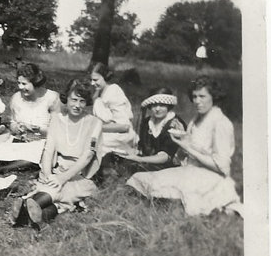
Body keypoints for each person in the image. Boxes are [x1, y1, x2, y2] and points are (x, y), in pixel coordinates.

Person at [127, 76, 243, 217]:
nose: (197, 101)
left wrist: (187, 147)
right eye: (194, 96)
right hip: (190, 170)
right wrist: (182, 139)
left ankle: (215, 206)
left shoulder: (220, 123)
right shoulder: (196, 120)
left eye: (202, 96)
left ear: (214, 97)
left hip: (212, 177)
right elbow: (184, 153)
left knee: (182, 197)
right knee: (140, 178)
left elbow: (222, 167)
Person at [11, 78, 103, 229]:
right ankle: (35, 215)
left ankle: (22, 214)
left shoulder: (94, 122)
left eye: (82, 101)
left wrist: (62, 178)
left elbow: (88, 155)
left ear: (87, 102)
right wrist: (48, 175)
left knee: (60, 190)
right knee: (53, 187)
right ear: (66, 98)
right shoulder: (57, 119)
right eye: (74, 99)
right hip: (56, 171)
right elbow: (49, 150)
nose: (77, 105)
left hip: (79, 175)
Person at [0, 63, 61, 174]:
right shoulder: (16, 98)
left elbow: (57, 131)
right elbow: (12, 123)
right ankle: (13, 164)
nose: (20, 87)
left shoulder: (52, 98)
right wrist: (17, 127)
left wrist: (37, 129)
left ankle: (3, 169)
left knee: (42, 153)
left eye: (24, 84)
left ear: (35, 82)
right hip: (21, 140)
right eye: (19, 83)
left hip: (43, 141)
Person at [100, 87, 187, 182]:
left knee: (133, 168)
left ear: (169, 106)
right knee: (109, 157)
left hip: (165, 167)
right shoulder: (147, 122)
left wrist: (138, 159)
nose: (157, 109)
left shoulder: (174, 124)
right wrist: (130, 152)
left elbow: (165, 157)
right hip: (146, 160)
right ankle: (108, 181)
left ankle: (121, 182)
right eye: (154, 105)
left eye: (162, 105)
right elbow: (142, 148)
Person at [89, 62, 137, 155]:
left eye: (95, 80)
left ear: (105, 77)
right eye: (91, 80)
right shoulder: (99, 92)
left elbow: (124, 126)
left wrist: (96, 128)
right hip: (107, 132)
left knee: (89, 142)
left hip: (120, 136)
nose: (92, 83)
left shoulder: (114, 92)